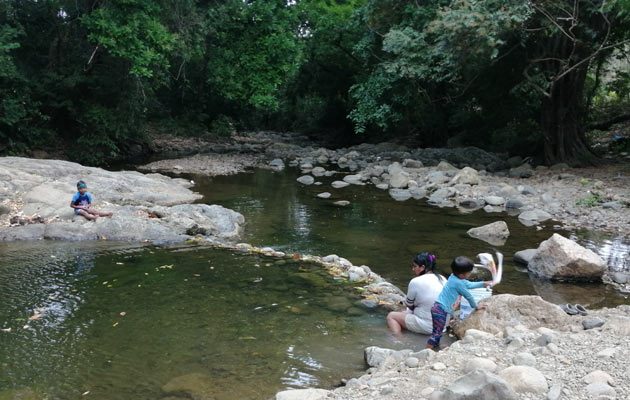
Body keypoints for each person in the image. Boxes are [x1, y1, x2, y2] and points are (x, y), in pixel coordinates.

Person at [426, 256, 492, 350]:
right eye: (469, 272)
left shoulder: (454, 277)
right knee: (437, 333)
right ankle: (427, 351)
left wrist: (483, 283)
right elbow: (468, 295)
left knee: (438, 330)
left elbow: (468, 284)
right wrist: (476, 306)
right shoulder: (459, 283)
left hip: (438, 308)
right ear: (462, 275)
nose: (470, 274)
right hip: (440, 310)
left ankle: (435, 347)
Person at [386, 252, 445, 335]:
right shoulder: (443, 279)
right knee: (408, 312)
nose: (413, 269)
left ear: (422, 267)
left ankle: (397, 340)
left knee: (391, 316)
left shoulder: (415, 281)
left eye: (414, 266)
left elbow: (409, 304)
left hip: (428, 327)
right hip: (442, 325)